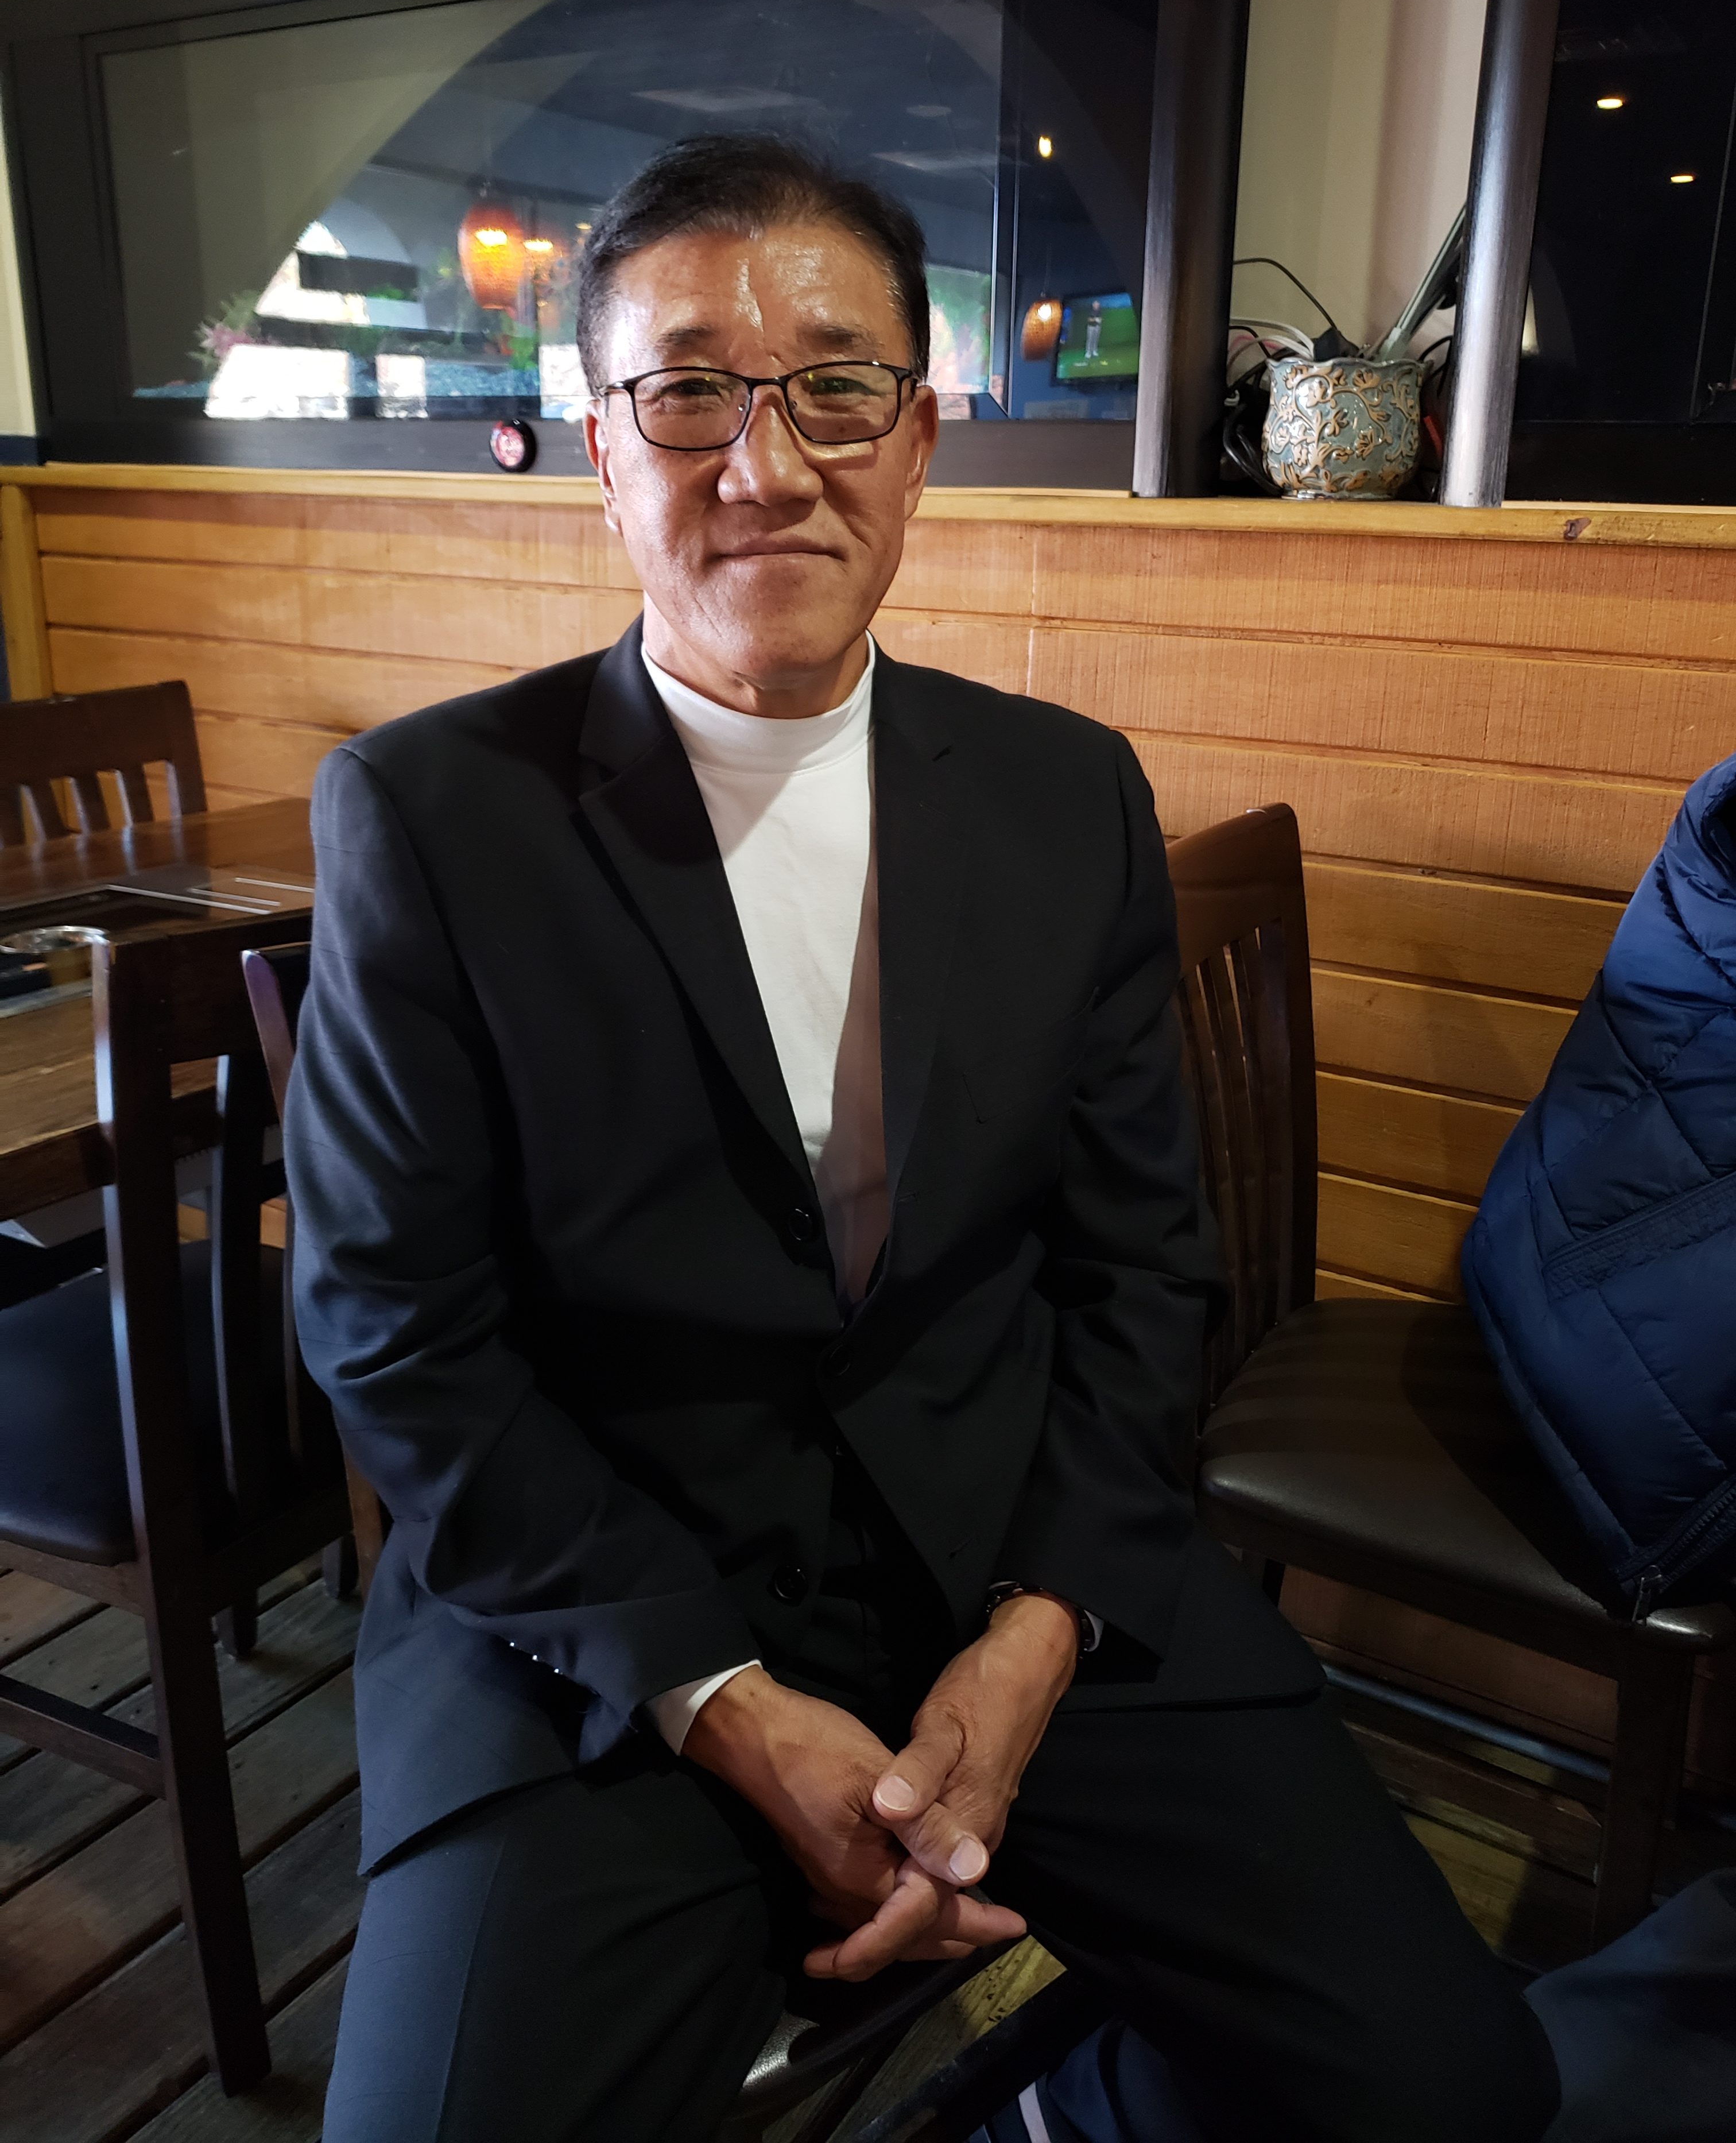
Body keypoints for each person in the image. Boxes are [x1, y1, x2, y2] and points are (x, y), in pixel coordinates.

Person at [288, 134, 1559, 2143]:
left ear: (919, 436)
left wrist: (1038, 1636)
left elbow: (1143, 1269)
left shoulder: (1066, 795)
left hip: (1016, 1563)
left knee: (1455, 2085)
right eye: (687, 392)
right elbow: (396, 1336)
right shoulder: (431, 816)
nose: (767, 463)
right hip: (605, 1613)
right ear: (601, 448)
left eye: (836, 386)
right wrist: (722, 1700)